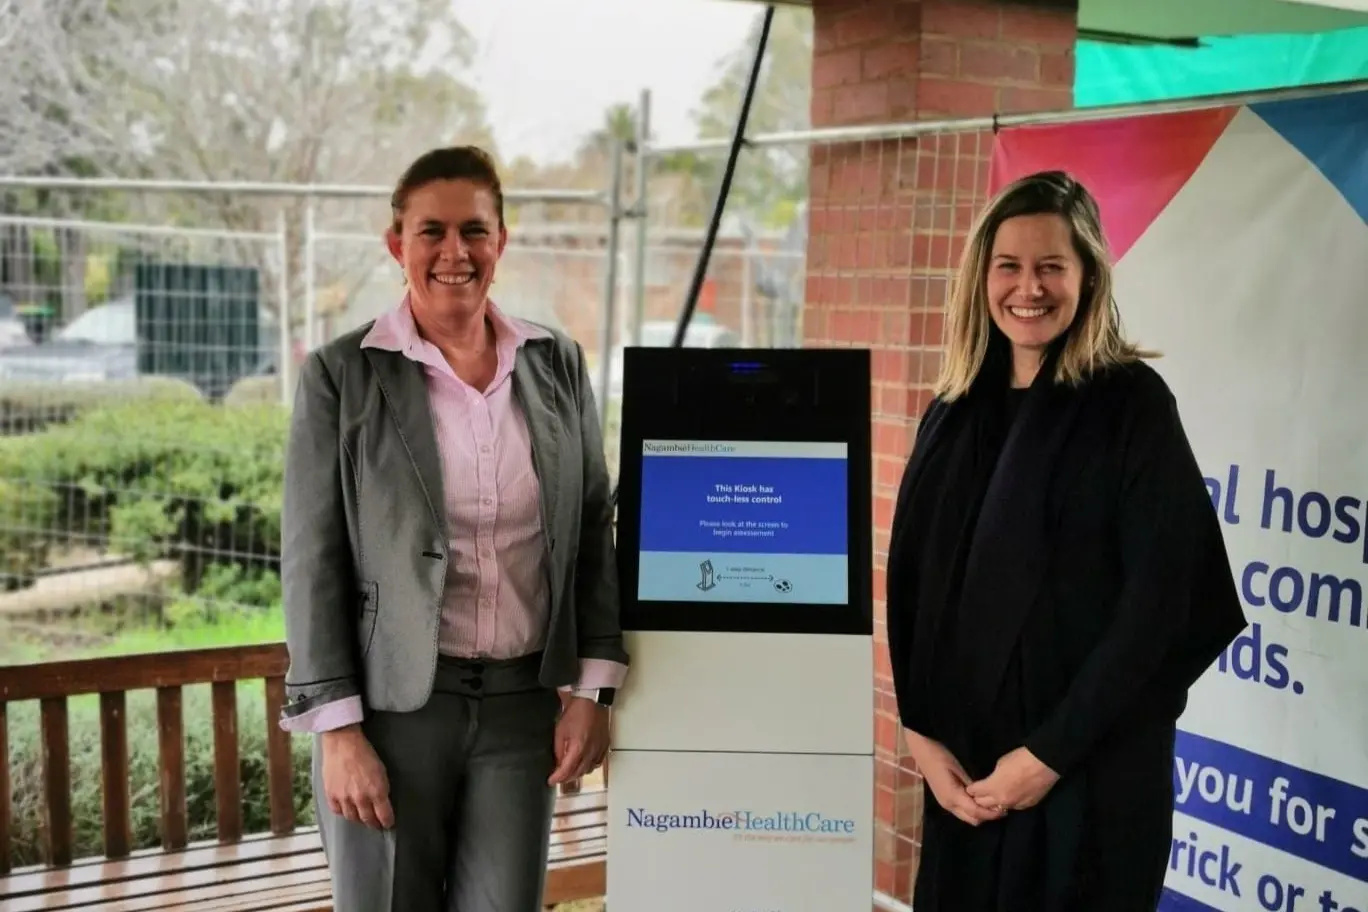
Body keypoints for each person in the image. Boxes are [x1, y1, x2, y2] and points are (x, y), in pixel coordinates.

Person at [276, 145, 629, 912]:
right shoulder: (343, 374)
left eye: (474, 230)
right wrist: (337, 735)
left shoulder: (557, 362)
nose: (453, 252)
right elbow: (312, 561)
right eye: (430, 231)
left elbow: (592, 527)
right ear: (396, 244)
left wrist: (592, 693)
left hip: (520, 711)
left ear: (501, 241)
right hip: (393, 715)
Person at [885, 170, 1247, 911]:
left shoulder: (1130, 407)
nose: (1030, 288)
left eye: (1052, 266)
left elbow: (1164, 602)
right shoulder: (952, 411)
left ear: (1089, 276)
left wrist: (1048, 755)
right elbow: (914, 585)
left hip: (1088, 779)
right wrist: (922, 733)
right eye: (1009, 266)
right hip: (969, 782)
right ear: (981, 277)